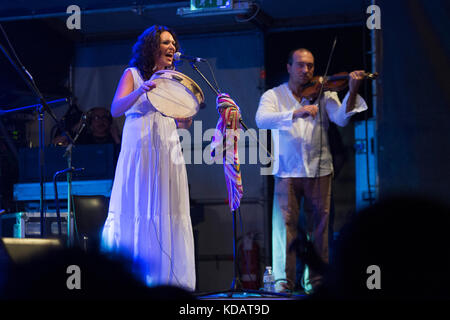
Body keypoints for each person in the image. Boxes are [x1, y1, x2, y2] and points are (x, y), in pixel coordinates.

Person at [255, 48, 368, 293]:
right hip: (286, 170)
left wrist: (353, 88)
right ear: (288, 67)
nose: (306, 71)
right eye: (300, 65)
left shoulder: (325, 94)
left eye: (310, 66)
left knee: (320, 228)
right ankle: (283, 281)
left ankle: (316, 281)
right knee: (284, 227)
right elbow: (261, 120)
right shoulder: (274, 95)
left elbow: (341, 119)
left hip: (319, 168)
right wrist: (297, 112)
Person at [100, 25, 196, 291]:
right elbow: (116, 108)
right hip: (139, 151)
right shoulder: (132, 74)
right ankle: (131, 284)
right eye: (166, 42)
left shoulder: (173, 79)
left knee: (168, 211)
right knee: (138, 208)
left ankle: (171, 281)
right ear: (152, 47)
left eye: (174, 43)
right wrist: (141, 91)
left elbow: (180, 124)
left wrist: (185, 119)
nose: (172, 47)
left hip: (167, 149)